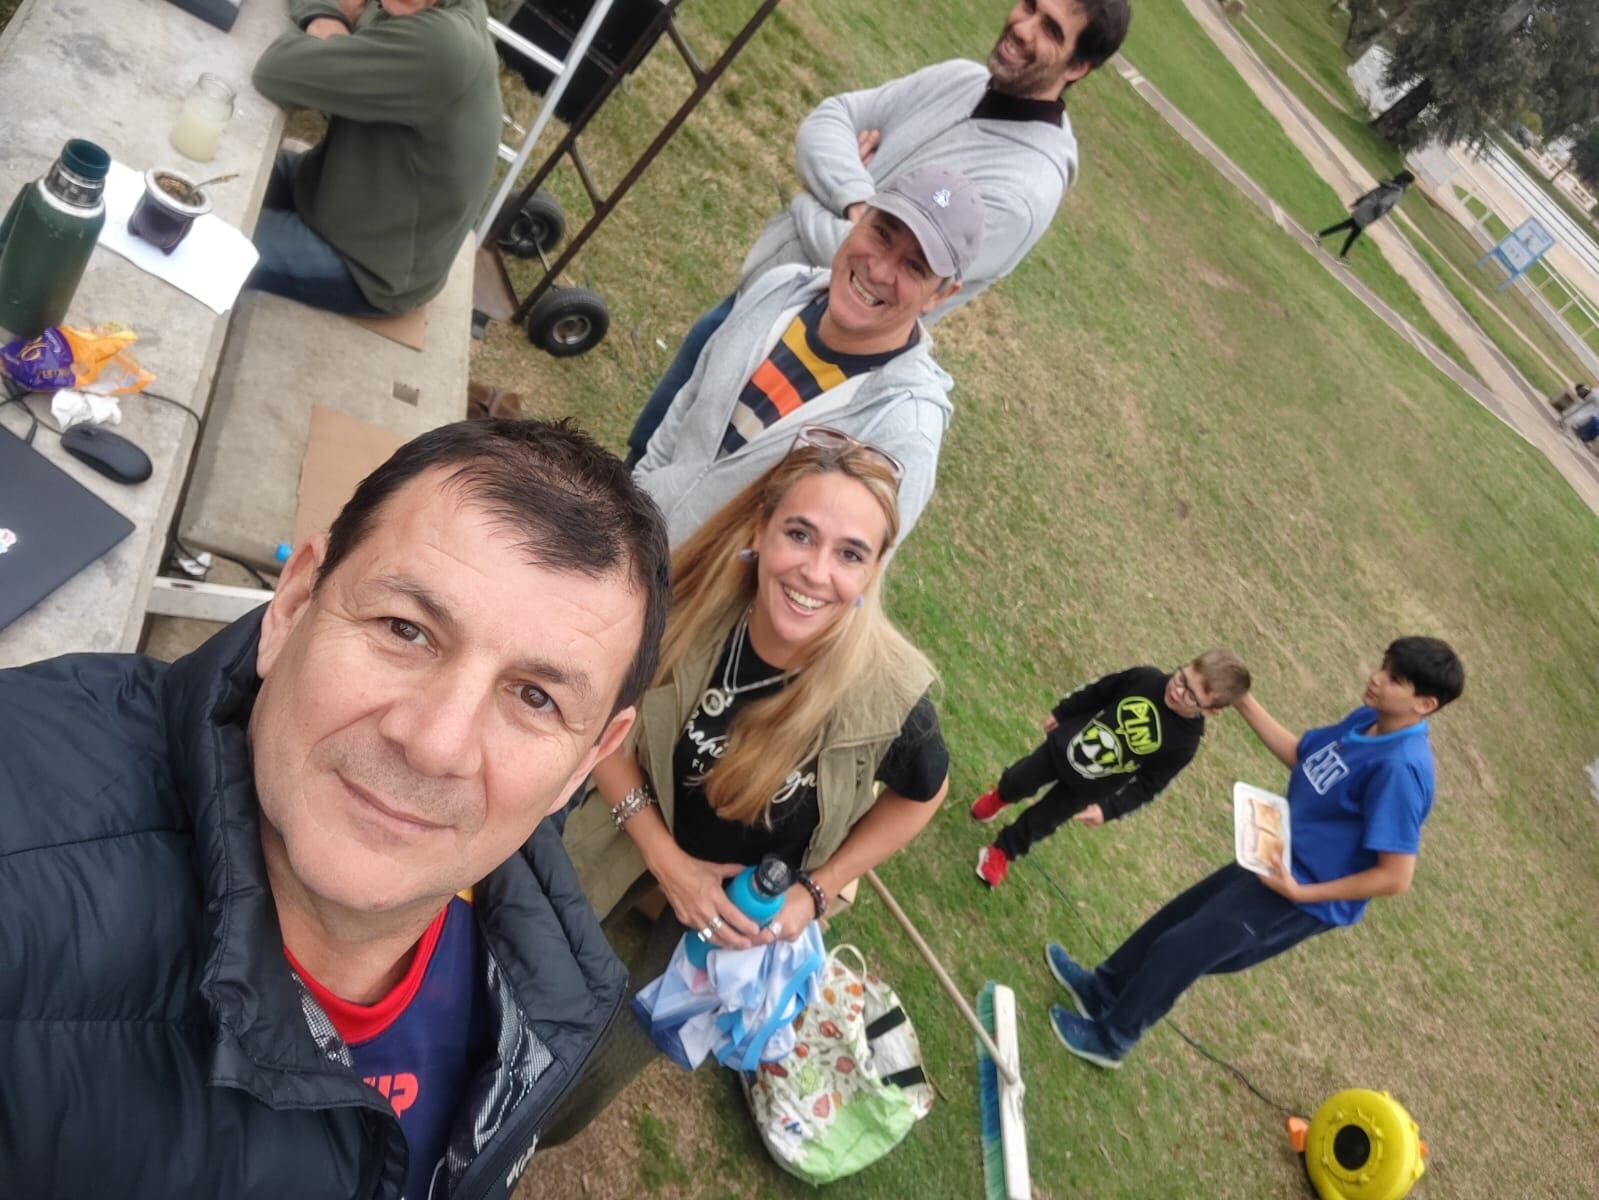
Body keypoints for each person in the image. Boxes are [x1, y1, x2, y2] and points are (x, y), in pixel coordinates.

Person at [0, 420, 672, 1198]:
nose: (435, 743)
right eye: (405, 629)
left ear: (588, 758)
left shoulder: (550, 994)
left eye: (534, 697)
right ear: (292, 603)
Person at [545, 429, 951, 1141]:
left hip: (733, 922)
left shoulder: (891, 699)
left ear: (874, 569)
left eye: (850, 554)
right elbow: (607, 715)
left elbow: (923, 794)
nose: (815, 573)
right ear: (760, 530)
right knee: (520, 974)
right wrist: (665, 862)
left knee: (574, 1091)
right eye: (799, 534)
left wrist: (818, 891)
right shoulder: (688, 597)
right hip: (631, 829)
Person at [624, 0, 1134, 465]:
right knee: (647, 455)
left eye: (1050, 29)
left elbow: (866, 271)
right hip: (757, 303)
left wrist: (812, 197)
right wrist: (855, 197)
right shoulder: (959, 79)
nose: (1022, 28)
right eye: (1028, 5)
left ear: (1077, 67)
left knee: (677, 509)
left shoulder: (1022, 191)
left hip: (806, 364)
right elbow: (828, 118)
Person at [1046, 637, 1464, 1069]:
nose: (1376, 678)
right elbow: (1303, 758)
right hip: (1272, 851)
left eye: (1394, 679)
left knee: (1184, 949)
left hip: (1298, 891)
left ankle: (1112, 1038)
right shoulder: (1369, 720)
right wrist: (1241, 699)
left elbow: (1395, 876)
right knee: (1176, 919)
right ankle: (1102, 991)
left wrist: (1300, 893)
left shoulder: (1400, 769)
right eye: (1383, 665)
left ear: (1425, 704)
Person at [633, 164, 984, 547]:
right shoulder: (777, 288)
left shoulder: (901, 435)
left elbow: (841, 583)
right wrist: (629, 508)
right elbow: (685, 410)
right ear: (860, 217)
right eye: (882, 234)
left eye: (914, 266)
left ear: (940, 296)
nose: (880, 270)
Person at [250, 0, 501, 315]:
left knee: (199, 238)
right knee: (207, 179)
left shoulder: (442, 46)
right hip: (326, 189)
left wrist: (335, 37)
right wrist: (328, 17)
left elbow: (276, 71)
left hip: (367, 264)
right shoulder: (422, 12)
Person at [971, 651, 1252, 888]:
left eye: (1192, 696)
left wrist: (1108, 809)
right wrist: (1062, 711)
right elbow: (1100, 690)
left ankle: (1002, 851)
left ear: (1212, 710)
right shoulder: (1147, 679)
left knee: (1042, 821)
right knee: (1019, 779)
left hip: (1091, 787)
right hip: (1067, 746)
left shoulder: (1184, 744)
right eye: (1182, 678)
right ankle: (1000, 797)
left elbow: (1149, 786)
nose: (1178, 691)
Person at [1315, 171, 1415, 260]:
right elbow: (1382, 204)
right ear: (1406, 182)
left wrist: (1359, 201)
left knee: (1350, 229)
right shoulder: (1398, 192)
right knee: (1351, 230)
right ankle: (1336, 251)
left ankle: (1337, 251)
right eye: (1410, 184)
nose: (1410, 186)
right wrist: (1377, 215)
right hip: (1369, 212)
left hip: (1365, 206)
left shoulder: (1390, 183)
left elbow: (1372, 192)